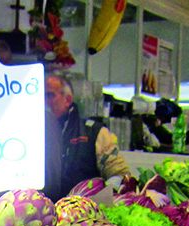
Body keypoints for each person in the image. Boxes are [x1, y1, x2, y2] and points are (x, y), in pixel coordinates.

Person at [44, 72, 131, 200]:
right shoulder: (28, 134)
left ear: (67, 99)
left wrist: (102, 199)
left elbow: (120, 174)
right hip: (39, 215)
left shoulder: (95, 132)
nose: (44, 101)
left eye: (50, 95)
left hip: (84, 216)